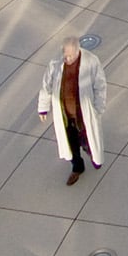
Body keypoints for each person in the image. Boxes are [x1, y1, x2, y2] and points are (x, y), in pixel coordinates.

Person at [38, 37, 108, 185]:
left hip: (84, 112)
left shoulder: (91, 61)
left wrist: (98, 108)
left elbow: (100, 85)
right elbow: (47, 86)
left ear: (78, 51)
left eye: (70, 55)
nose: (67, 59)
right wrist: (43, 108)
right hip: (65, 113)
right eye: (65, 55)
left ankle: (94, 157)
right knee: (70, 143)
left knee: (89, 138)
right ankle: (77, 167)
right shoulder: (55, 64)